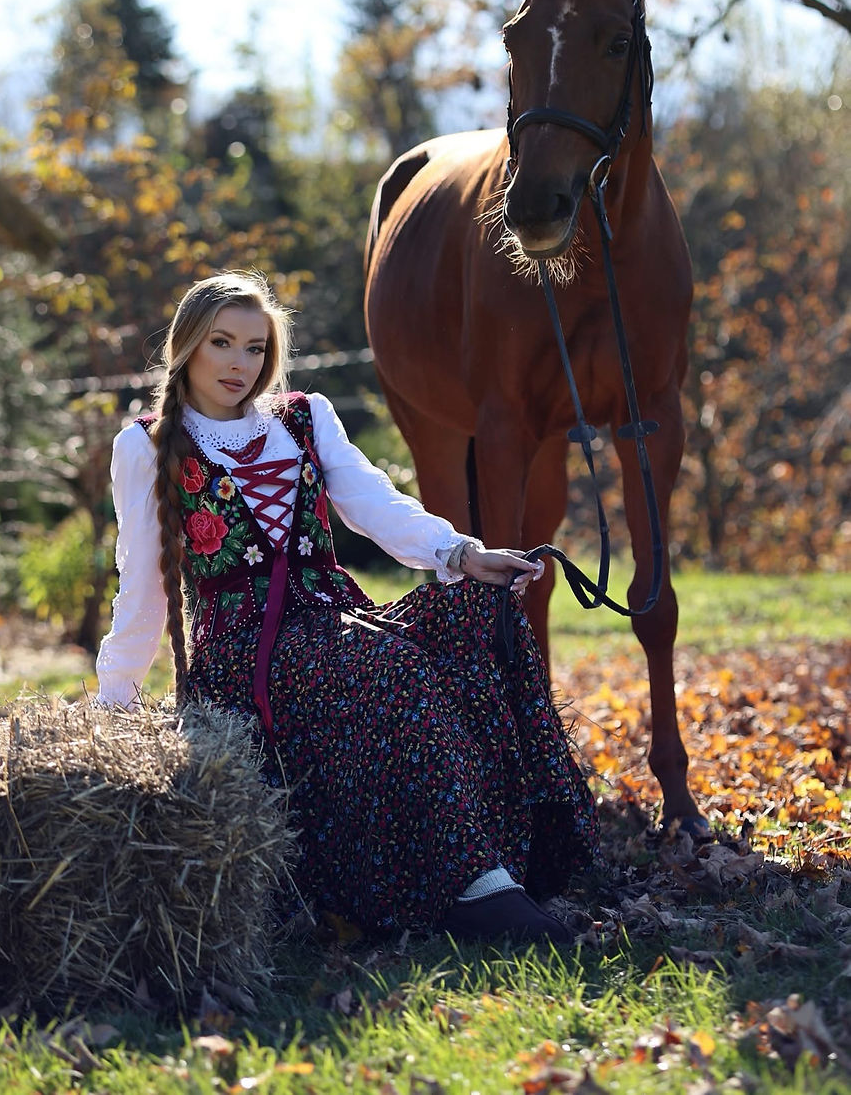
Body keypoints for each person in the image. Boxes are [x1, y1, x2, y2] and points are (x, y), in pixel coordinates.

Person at [96, 271, 598, 943]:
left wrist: (460, 553)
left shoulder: (303, 417)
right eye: (222, 343)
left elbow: (373, 501)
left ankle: (521, 843)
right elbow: (143, 586)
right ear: (187, 346)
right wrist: (115, 708)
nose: (240, 364)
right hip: (244, 652)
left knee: (472, 619)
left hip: (333, 616)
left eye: (254, 348)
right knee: (389, 665)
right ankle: (466, 886)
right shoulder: (149, 444)